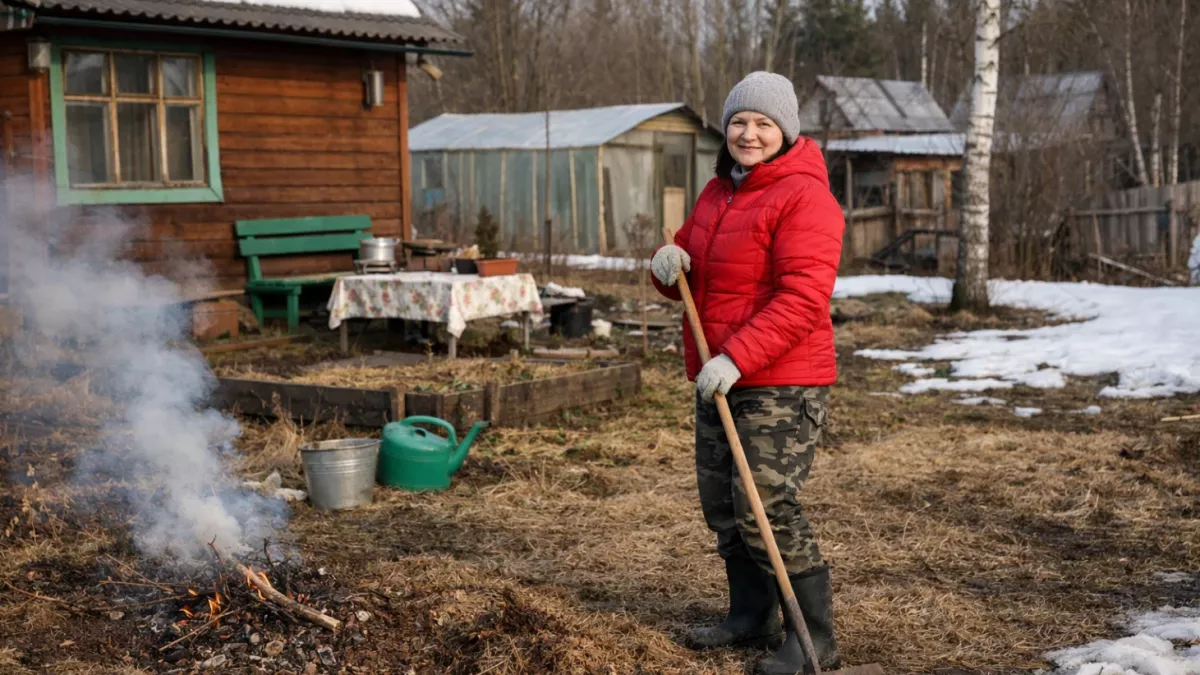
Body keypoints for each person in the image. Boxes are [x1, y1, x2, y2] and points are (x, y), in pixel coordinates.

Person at [650, 71, 845, 674]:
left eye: (763, 123)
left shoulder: (805, 196)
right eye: (739, 121)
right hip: (719, 375)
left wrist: (737, 357)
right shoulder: (718, 191)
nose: (749, 133)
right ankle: (750, 616)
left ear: (786, 131)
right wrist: (666, 266)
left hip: (780, 378)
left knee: (767, 506)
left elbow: (803, 299)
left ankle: (813, 641)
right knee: (724, 507)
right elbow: (691, 281)